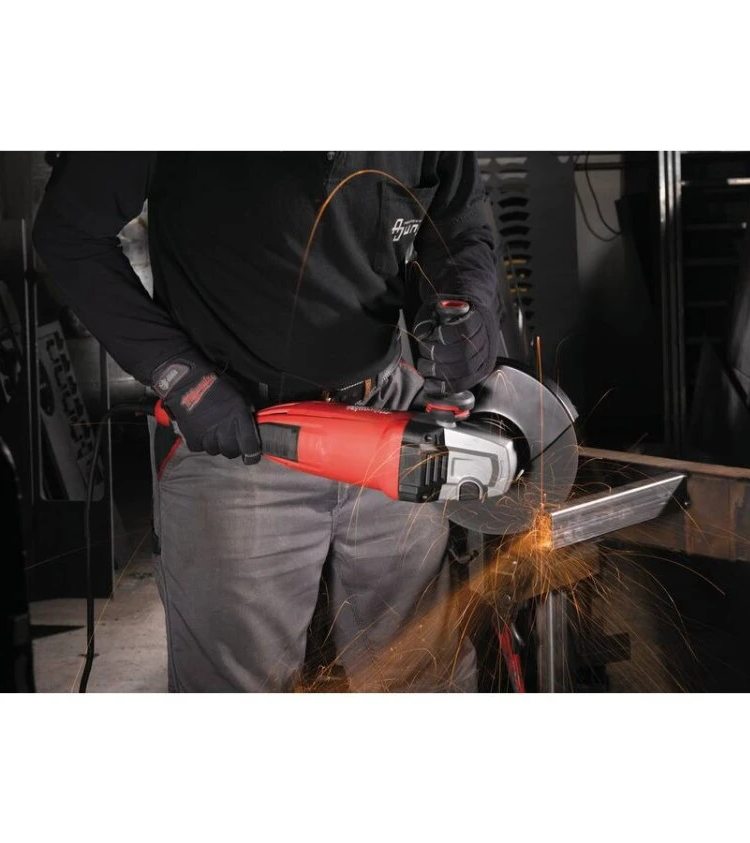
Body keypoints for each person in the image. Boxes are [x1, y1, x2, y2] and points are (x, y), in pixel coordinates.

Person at [33, 152, 500, 692]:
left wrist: (466, 303)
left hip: (390, 424)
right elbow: (69, 233)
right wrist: (180, 376)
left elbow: (458, 225)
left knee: (423, 676)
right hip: (241, 441)